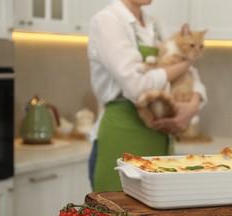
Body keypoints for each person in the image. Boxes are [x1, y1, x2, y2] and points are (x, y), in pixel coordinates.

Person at [87, 0, 207, 192]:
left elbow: (191, 74)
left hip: (160, 140)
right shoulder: (107, 21)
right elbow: (137, 86)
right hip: (122, 134)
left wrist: (194, 104)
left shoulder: (156, 24)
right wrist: (184, 66)